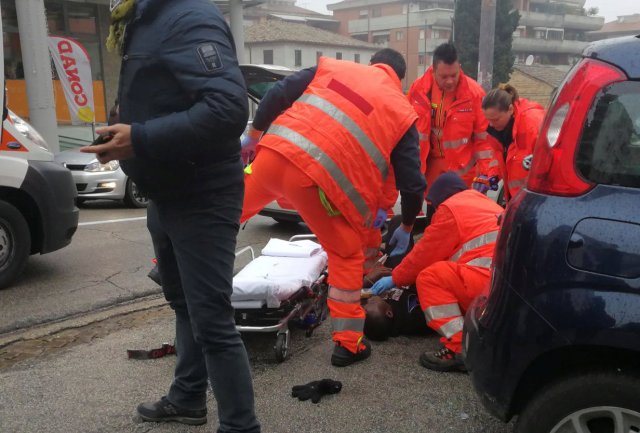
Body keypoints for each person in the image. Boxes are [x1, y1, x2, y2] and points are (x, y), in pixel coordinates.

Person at [81, 0, 260, 431]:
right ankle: (187, 398)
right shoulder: (141, 18)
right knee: (183, 304)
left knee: (212, 318)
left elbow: (228, 108)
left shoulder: (189, 16)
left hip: (202, 192)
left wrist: (139, 138)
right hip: (165, 190)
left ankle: (240, 426)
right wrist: (122, 125)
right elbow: (160, 92)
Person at [240, 48, 426, 367]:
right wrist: (407, 227)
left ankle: (170, 261)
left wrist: (253, 136)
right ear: (400, 78)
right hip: (316, 184)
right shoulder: (401, 111)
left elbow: (278, 94)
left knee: (223, 212)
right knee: (345, 255)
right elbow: (412, 185)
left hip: (270, 156)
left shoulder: (333, 67)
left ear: (372, 65)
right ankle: (348, 344)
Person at [370, 172, 502, 372]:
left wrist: (395, 278)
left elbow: (424, 255)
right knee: (446, 274)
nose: (434, 208)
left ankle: (459, 348)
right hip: (504, 286)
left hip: (487, 286)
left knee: (430, 277)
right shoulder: (484, 204)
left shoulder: (451, 209)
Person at [407, 43, 498, 195]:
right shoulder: (418, 91)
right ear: (433, 70)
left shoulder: (474, 94)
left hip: (462, 177)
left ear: (459, 67)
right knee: (433, 216)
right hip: (428, 173)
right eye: (444, 76)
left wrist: (486, 173)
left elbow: (485, 140)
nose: (450, 81)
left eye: (454, 75)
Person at [482, 84, 545, 201]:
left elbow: (548, 164)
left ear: (510, 109)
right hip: (515, 199)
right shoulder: (498, 129)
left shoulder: (533, 124)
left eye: (495, 119)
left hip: (535, 200)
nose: (491, 124)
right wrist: (492, 175)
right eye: (488, 120)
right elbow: (499, 155)